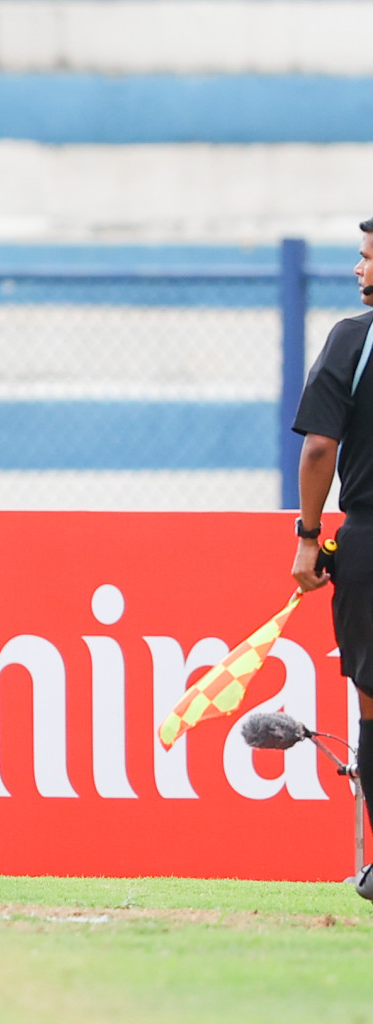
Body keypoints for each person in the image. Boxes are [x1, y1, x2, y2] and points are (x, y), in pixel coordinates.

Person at [290, 216, 373, 899]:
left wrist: (309, 536)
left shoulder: (355, 338)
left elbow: (320, 448)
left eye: (367, 258)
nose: (358, 269)